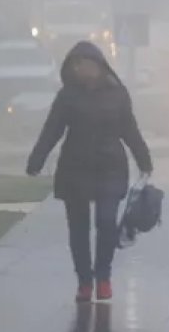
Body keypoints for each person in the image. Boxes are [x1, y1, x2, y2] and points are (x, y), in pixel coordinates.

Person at [26, 41, 153, 303]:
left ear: (98, 65)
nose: (81, 69)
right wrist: (36, 160)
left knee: (106, 222)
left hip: (110, 167)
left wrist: (144, 159)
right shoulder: (67, 96)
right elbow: (53, 130)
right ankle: (84, 281)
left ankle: (103, 275)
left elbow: (129, 129)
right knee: (78, 229)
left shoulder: (117, 94)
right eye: (77, 65)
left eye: (85, 64)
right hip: (75, 167)